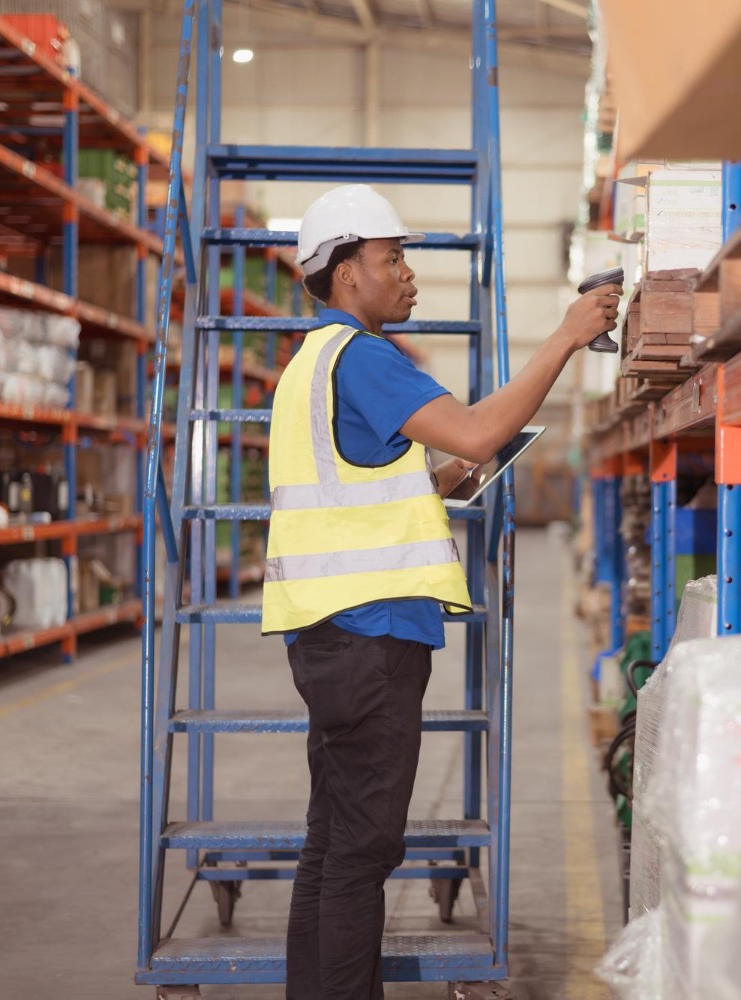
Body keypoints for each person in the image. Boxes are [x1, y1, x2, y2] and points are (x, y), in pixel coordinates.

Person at [262, 183, 619, 1000]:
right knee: (361, 855)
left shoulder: (309, 364)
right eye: (393, 260)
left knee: (331, 844)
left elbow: (364, 480)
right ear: (346, 273)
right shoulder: (363, 357)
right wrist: (565, 336)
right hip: (371, 637)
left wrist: (439, 480)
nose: (409, 276)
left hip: (326, 634)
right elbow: (477, 430)